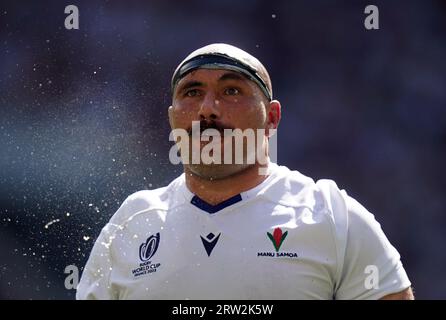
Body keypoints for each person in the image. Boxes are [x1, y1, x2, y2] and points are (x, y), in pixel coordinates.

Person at [76, 43, 413, 300]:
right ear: (172, 117)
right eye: (192, 93)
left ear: (272, 118)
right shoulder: (132, 222)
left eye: (231, 91)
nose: (208, 109)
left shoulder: (333, 216)